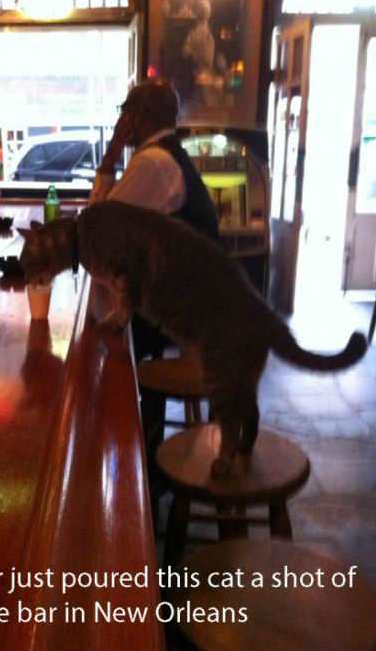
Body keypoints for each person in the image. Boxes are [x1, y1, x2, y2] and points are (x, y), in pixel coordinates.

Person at [91, 77, 219, 513]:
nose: (121, 121)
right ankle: (145, 456)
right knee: (112, 328)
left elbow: (97, 229)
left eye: (125, 112)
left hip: (182, 312)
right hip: (195, 303)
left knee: (105, 349)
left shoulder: (152, 163)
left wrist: (109, 157)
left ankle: (134, 470)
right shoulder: (166, 155)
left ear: (138, 117)